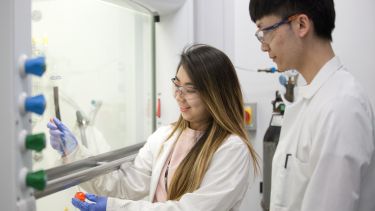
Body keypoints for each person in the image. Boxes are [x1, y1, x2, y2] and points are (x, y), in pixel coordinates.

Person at [47, 44, 260, 211]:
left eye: (190, 89)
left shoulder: (232, 150)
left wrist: (112, 208)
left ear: (216, 94)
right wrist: (74, 153)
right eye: (177, 85)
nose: (179, 95)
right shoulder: (166, 136)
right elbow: (124, 186)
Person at [249, 0, 375, 210]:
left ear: (301, 25)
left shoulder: (340, 106)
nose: (263, 46)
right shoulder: (312, 99)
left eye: (265, 31)